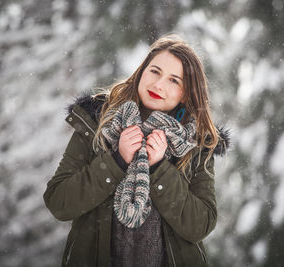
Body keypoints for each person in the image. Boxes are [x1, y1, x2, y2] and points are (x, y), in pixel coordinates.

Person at [43, 34, 230, 267]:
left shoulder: (196, 144)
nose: (159, 84)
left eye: (174, 80)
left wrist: (160, 167)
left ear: (186, 93)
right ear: (142, 72)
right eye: (155, 71)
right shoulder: (97, 123)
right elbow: (59, 202)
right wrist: (117, 162)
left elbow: (200, 225)